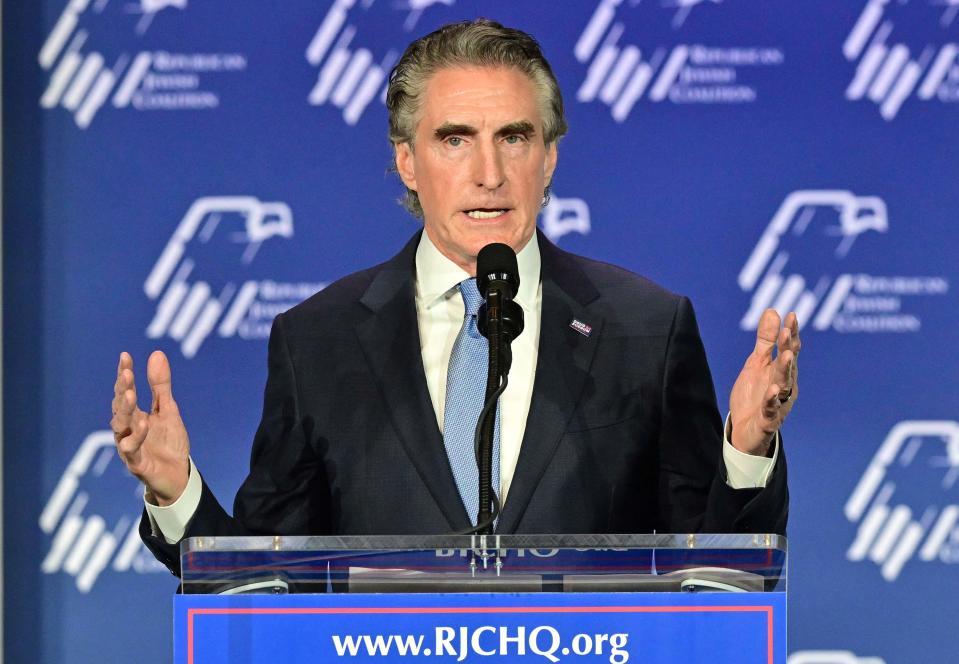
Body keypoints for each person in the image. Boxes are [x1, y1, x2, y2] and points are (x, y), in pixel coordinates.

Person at [111, 20, 798, 575]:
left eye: (514, 137)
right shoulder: (317, 340)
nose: (488, 174)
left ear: (548, 158)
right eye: (454, 140)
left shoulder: (644, 327)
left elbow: (714, 577)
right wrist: (178, 493)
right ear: (408, 161)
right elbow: (265, 581)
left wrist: (745, 448)